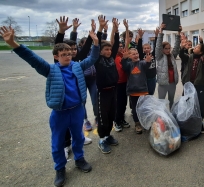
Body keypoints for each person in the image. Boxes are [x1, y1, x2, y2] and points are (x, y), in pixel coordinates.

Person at [0, 26, 99, 187]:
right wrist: (13, 43)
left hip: (77, 110)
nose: (68, 56)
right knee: (58, 141)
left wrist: (95, 42)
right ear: (56, 57)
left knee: (79, 137)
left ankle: (79, 159)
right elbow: (32, 58)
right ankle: (60, 169)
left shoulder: (77, 66)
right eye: (63, 54)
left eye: (69, 53)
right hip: (59, 113)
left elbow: (93, 58)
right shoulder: (50, 70)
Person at [54, 16, 93, 160]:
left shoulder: (76, 60)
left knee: (78, 122)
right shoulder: (58, 63)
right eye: (67, 51)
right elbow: (58, 46)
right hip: (64, 102)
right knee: (64, 127)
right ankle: (65, 146)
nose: (71, 53)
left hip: (77, 98)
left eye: (73, 50)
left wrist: (95, 34)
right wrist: (62, 31)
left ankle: (80, 139)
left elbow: (88, 48)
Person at [179, 27, 204, 133]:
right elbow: (181, 55)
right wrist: (182, 47)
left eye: (197, 47)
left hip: (199, 85)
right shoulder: (190, 56)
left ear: (200, 51)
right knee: (186, 102)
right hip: (188, 84)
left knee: (199, 104)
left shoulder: (203, 59)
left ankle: (200, 123)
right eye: (195, 46)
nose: (194, 47)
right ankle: (186, 120)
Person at [94, 15, 120, 154]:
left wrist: (116, 29)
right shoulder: (98, 60)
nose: (109, 51)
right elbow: (96, 44)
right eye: (106, 50)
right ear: (100, 51)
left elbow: (115, 44)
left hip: (113, 91)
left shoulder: (111, 58)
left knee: (111, 115)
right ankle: (101, 139)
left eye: (110, 50)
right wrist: (100, 28)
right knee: (103, 117)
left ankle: (108, 135)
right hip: (102, 93)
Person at [121, 48, 153, 134]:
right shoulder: (129, 65)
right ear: (129, 56)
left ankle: (145, 122)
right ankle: (137, 124)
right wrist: (124, 59)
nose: (136, 55)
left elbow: (146, 65)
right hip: (133, 91)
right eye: (133, 54)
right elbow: (124, 66)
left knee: (144, 108)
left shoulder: (141, 63)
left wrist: (148, 61)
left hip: (143, 90)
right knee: (135, 109)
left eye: (137, 53)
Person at [156, 23, 181, 109]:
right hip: (163, 83)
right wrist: (161, 32)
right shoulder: (159, 56)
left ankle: (171, 116)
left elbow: (177, 47)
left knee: (171, 100)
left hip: (172, 83)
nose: (168, 50)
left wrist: (178, 33)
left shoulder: (172, 56)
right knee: (161, 102)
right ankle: (161, 118)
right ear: (162, 49)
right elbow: (158, 45)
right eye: (165, 48)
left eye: (169, 48)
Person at [137, 27, 159, 95]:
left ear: (150, 48)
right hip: (144, 79)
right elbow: (139, 48)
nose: (146, 49)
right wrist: (140, 37)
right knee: (144, 94)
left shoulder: (153, 54)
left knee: (151, 94)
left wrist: (156, 36)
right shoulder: (141, 55)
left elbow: (156, 46)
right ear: (143, 49)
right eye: (145, 48)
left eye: (148, 48)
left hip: (152, 78)